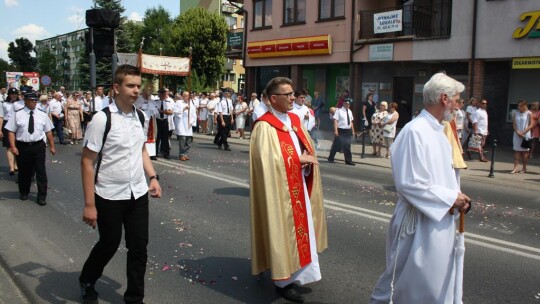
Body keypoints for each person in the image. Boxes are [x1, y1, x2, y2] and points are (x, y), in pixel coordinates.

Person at [369, 72, 471, 304]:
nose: (458, 105)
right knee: (401, 284)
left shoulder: (439, 131)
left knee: (434, 284)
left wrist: (458, 197)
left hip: (439, 217)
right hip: (417, 222)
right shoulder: (415, 131)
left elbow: (444, 175)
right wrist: (450, 197)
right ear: (444, 98)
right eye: (456, 99)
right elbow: (409, 183)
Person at [79, 65, 162, 304]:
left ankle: (134, 298)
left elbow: (142, 151)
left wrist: (153, 177)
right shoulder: (101, 119)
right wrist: (89, 204)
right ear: (116, 88)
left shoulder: (141, 116)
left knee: (139, 248)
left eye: (138, 86)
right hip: (109, 195)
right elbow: (87, 162)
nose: (136, 90)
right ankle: (87, 279)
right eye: (130, 85)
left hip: (137, 193)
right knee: (109, 243)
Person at [250, 77, 327, 303]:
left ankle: (300, 273)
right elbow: (266, 162)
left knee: (302, 231)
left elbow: (305, 146)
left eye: (293, 93)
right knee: (283, 231)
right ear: (274, 99)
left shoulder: (294, 119)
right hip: (280, 191)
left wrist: (305, 160)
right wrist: (297, 160)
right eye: (288, 94)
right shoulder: (264, 126)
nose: (294, 98)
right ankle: (283, 281)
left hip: (299, 185)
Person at [6, 91, 55, 205]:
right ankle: (24, 191)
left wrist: (52, 146)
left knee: (41, 171)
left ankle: (41, 196)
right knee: (24, 171)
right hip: (23, 146)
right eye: (32, 100)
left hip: (38, 145)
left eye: (35, 101)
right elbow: (11, 132)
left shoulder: (42, 114)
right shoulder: (18, 114)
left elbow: (48, 131)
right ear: (25, 101)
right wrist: (13, 147)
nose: (34, 102)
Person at [327, 99, 355, 165]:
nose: (348, 105)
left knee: (347, 145)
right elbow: (335, 121)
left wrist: (353, 130)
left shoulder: (350, 111)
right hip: (341, 130)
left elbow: (351, 122)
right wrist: (336, 130)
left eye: (349, 104)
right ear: (343, 104)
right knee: (336, 145)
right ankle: (331, 158)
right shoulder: (338, 111)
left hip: (348, 130)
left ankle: (348, 161)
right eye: (346, 104)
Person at [510, 100, 535, 174]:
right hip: (517, 134)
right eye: (518, 106)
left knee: (525, 152)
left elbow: (531, 125)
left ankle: (524, 168)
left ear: (524, 106)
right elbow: (514, 124)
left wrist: (523, 132)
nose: (519, 107)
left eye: (520, 106)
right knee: (517, 150)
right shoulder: (515, 113)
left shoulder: (529, 113)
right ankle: (515, 168)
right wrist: (517, 132)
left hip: (525, 134)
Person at [173, 91, 197, 161]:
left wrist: (191, 122)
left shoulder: (191, 103)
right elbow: (175, 111)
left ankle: (185, 153)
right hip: (181, 124)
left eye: (188, 96)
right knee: (182, 139)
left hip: (188, 124)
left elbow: (194, 114)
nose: (187, 97)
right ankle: (181, 154)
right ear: (182, 96)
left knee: (188, 140)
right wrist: (183, 109)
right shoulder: (178, 103)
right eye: (186, 96)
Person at [2, 87, 20, 175]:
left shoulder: (21, 104)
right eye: (12, 94)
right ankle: (11, 167)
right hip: (7, 124)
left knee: (17, 145)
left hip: (18, 125)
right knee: (9, 146)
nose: (13, 95)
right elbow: (1, 117)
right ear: (9, 95)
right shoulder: (4, 104)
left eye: (15, 94)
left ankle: (16, 164)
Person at [155, 88, 173, 159]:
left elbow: (171, 112)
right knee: (157, 137)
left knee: (165, 138)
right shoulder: (155, 102)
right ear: (159, 94)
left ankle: (166, 153)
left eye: (164, 93)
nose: (162, 95)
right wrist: (165, 111)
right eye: (161, 93)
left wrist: (163, 111)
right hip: (157, 120)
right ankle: (155, 153)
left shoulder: (169, 101)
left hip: (165, 120)